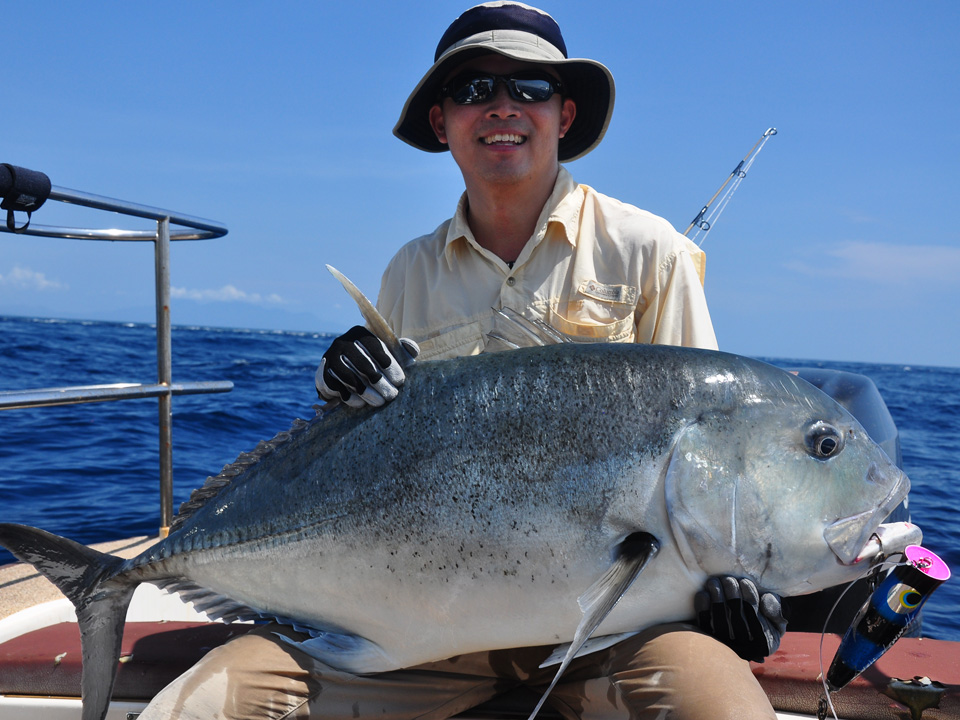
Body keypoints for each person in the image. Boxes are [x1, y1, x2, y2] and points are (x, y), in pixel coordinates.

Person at [140, 4, 785, 719]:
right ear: (441, 122)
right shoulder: (411, 271)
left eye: (530, 87)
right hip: (422, 634)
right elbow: (370, 462)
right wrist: (341, 390)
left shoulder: (650, 252)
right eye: (474, 89)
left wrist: (739, 584)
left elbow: (719, 451)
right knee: (200, 704)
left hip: (609, 635)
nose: (502, 107)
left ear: (565, 115)